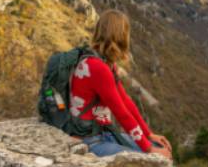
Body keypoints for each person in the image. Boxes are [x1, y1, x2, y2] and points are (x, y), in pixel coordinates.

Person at [70, 9, 172, 159]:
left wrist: (148, 134)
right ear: (122, 36)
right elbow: (122, 113)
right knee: (155, 159)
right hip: (90, 141)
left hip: (103, 133)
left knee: (160, 149)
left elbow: (126, 101)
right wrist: (149, 149)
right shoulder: (98, 68)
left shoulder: (106, 64)